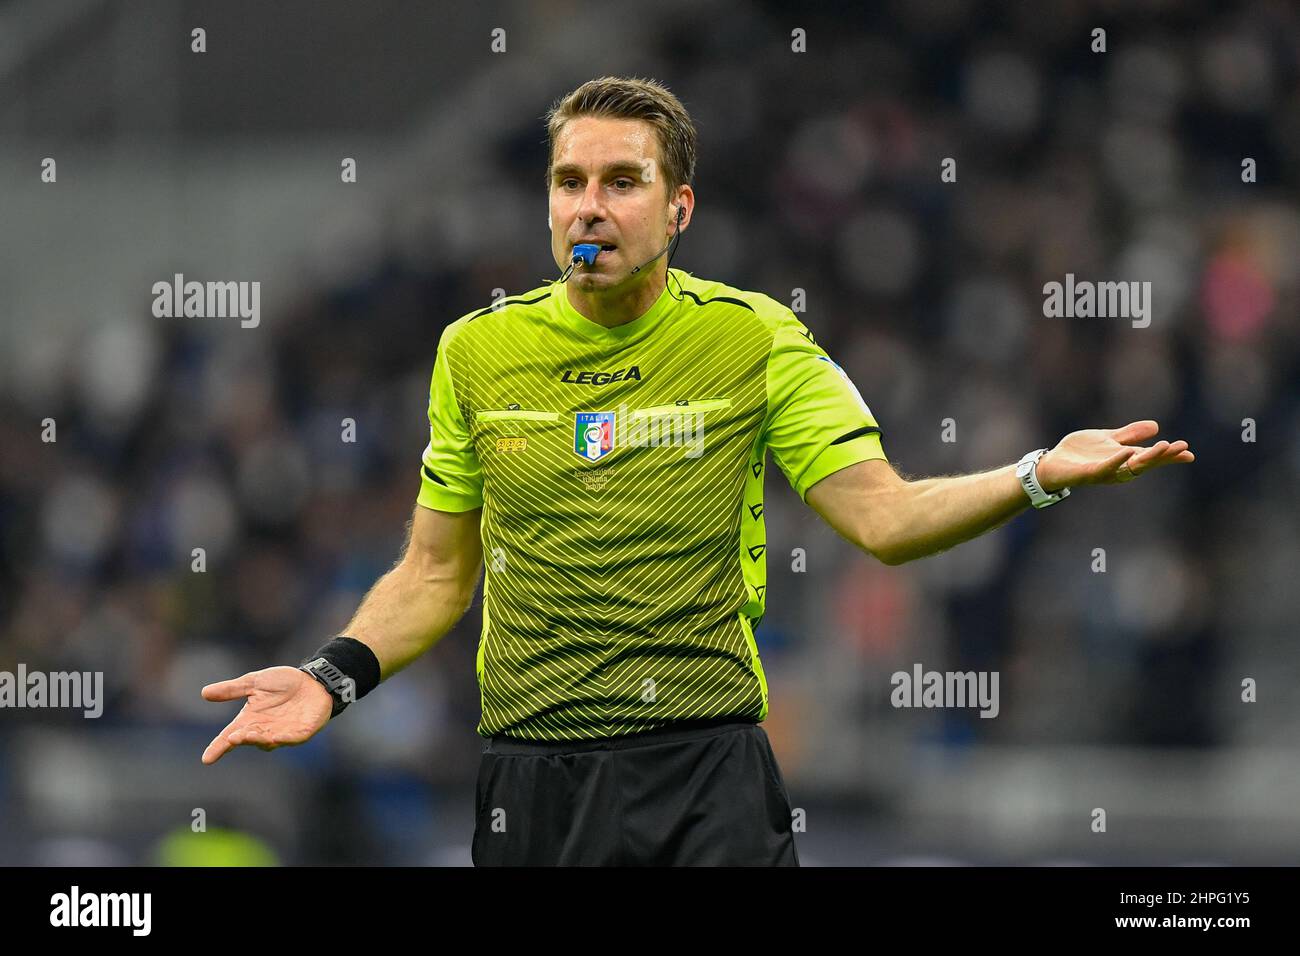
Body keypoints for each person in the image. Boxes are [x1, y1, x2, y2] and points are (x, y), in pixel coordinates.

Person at [200, 76, 1194, 866]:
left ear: (677, 207)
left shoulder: (752, 338)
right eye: (568, 181)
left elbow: (884, 517)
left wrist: (1035, 475)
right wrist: (334, 676)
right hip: (531, 785)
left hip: (705, 772)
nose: (588, 206)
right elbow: (433, 575)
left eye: (620, 181)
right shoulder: (475, 352)